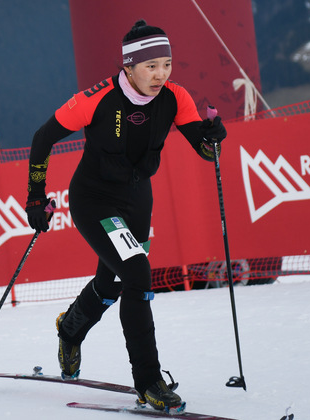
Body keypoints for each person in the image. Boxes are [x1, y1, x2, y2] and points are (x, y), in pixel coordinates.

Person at [25, 19, 227, 412]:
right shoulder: (96, 98)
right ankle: (149, 381)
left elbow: (204, 151)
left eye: (166, 64)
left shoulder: (175, 97)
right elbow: (42, 138)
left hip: (137, 200)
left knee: (114, 280)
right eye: (151, 66)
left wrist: (213, 138)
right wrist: (36, 196)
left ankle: (70, 329)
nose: (160, 74)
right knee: (137, 271)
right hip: (94, 199)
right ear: (129, 67)